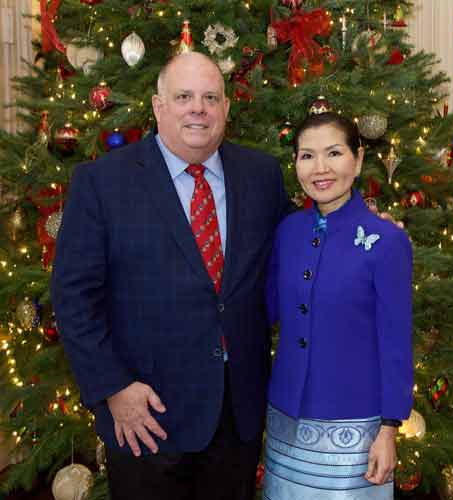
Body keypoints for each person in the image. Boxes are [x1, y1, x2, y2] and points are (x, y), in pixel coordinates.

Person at [50, 52, 290, 500]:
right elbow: (73, 296)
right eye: (183, 96)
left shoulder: (261, 176)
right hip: (145, 414)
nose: (197, 108)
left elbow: (299, 249)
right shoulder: (102, 183)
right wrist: (114, 387)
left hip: (236, 412)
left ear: (225, 109)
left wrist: (360, 228)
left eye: (210, 97)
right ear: (159, 107)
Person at [263, 112, 414, 500]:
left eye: (333, 153)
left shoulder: (387, 241)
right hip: (286, 422)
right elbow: (264, 310)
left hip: (357, 427)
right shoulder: (287, 232)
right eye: (307, 156)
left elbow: (395, 343)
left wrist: (389, 428)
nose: (321, 168)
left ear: (358, 159)